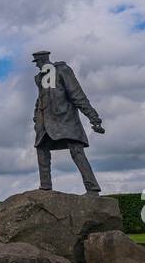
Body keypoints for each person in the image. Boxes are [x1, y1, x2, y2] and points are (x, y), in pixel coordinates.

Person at [31, 50, 104, 194]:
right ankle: (45, 186)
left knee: (77, 151)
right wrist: (36, 117)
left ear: (43, 61)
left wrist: (93, 118)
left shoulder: (62, 70)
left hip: (66, 119)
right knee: (42, 149)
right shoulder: (40, 77)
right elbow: (41, 98)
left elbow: (77, 95)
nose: (38, 66)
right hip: (45, 123)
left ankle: (92, 188)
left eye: (38, 63)